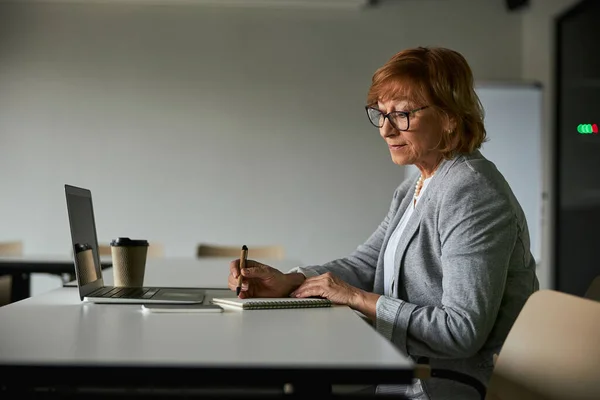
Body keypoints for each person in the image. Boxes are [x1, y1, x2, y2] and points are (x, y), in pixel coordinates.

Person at [227, 46, 539, 399]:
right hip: (403, 374)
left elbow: (461, 331)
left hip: (446, 387)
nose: (386, 130)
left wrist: (357, 298)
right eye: (382, 113)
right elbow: (366, 262)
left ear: (451, 116)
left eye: (403, 114)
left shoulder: (472, 192)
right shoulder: (415, 187)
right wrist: (291, 280)